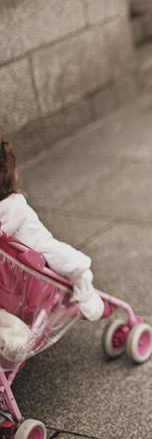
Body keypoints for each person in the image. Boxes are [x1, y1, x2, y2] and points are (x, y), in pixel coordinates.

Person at [0, 138, 104, 322]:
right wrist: (81, 274)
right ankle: (85, 291)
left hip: (7, 287)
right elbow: (50, 250)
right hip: (33, 287)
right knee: (66, 260)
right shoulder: (18, 212)